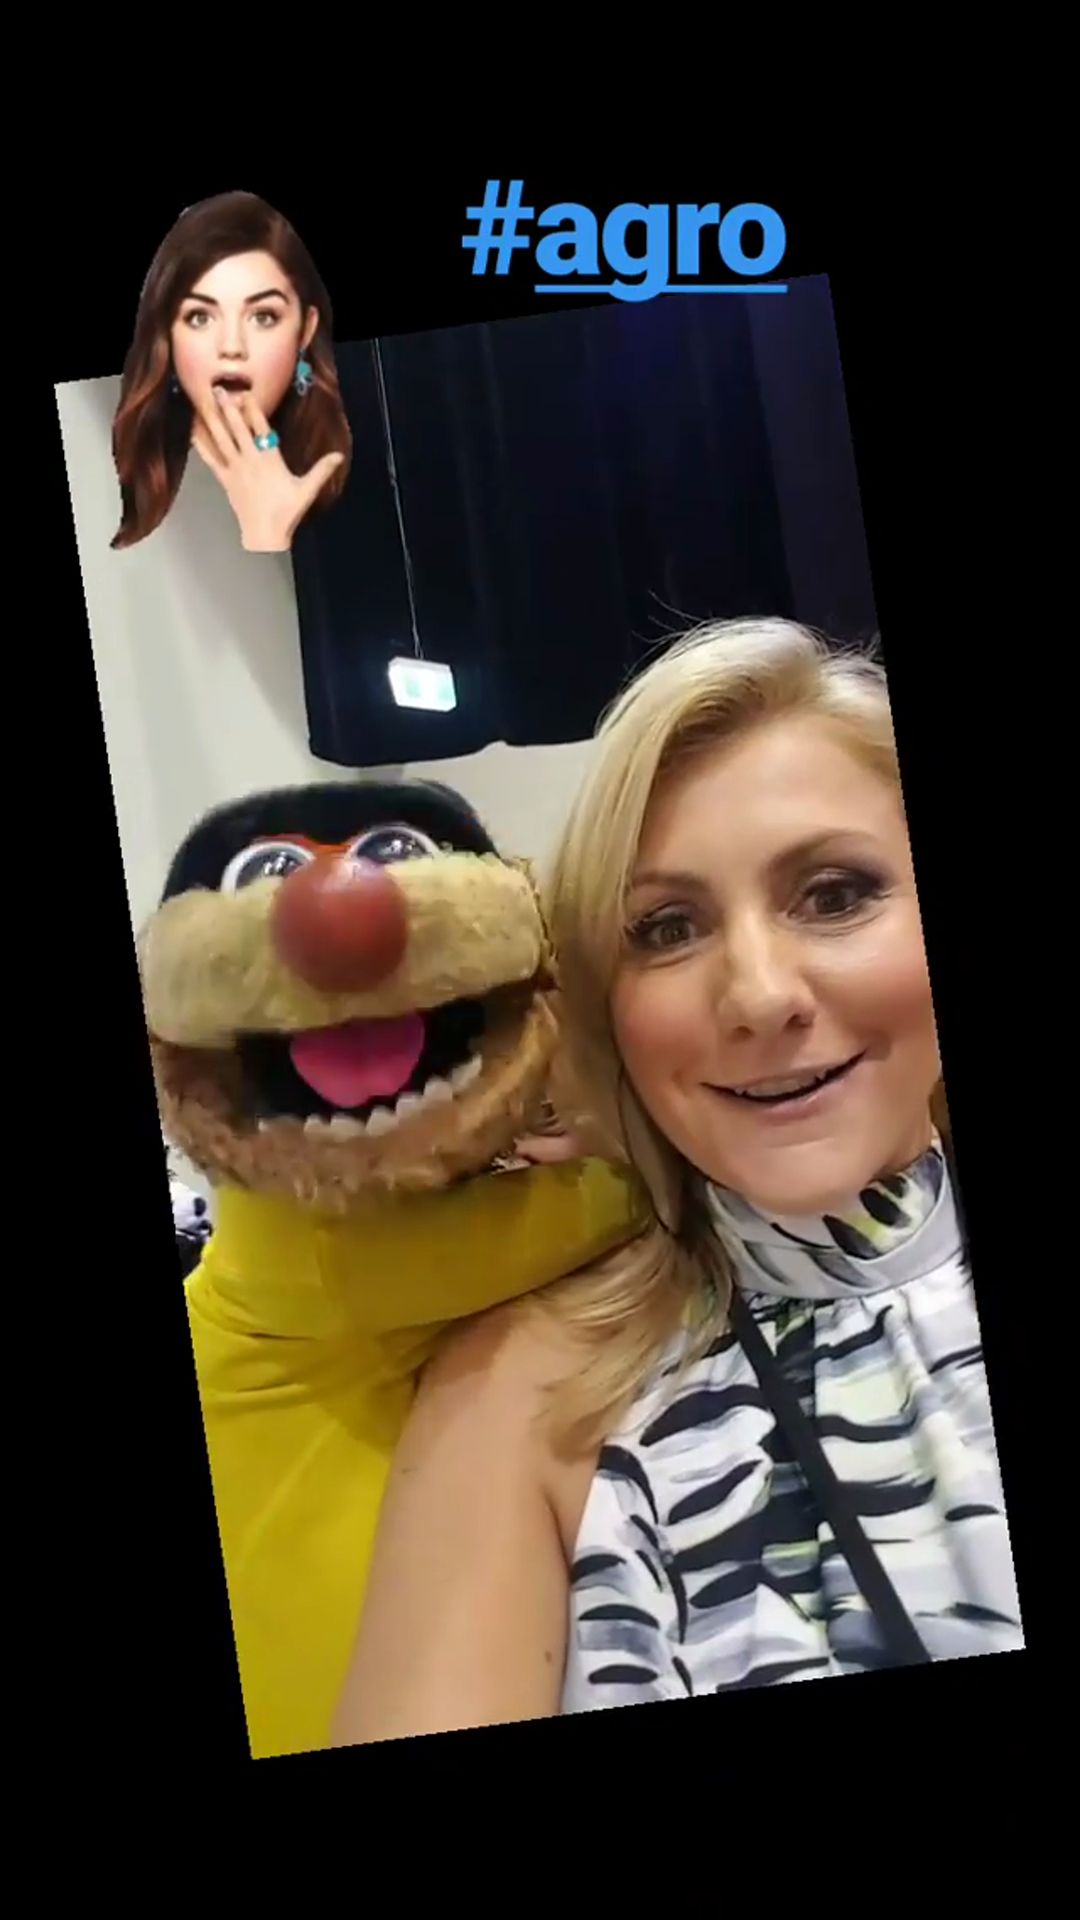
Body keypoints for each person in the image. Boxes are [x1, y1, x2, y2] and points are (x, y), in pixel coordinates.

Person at [332, 616, 1023, 1742]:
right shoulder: (518, 1396)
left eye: (834, 894)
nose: (758, 995)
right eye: (665, 928)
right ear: (606, 1004)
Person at [111, 190, 351, 553]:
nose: (232, 346)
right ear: (166, 335)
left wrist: (270, 534)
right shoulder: (136, 476)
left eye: (263, 317)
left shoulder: (338, 472)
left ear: (305, 330)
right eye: (200, 317)